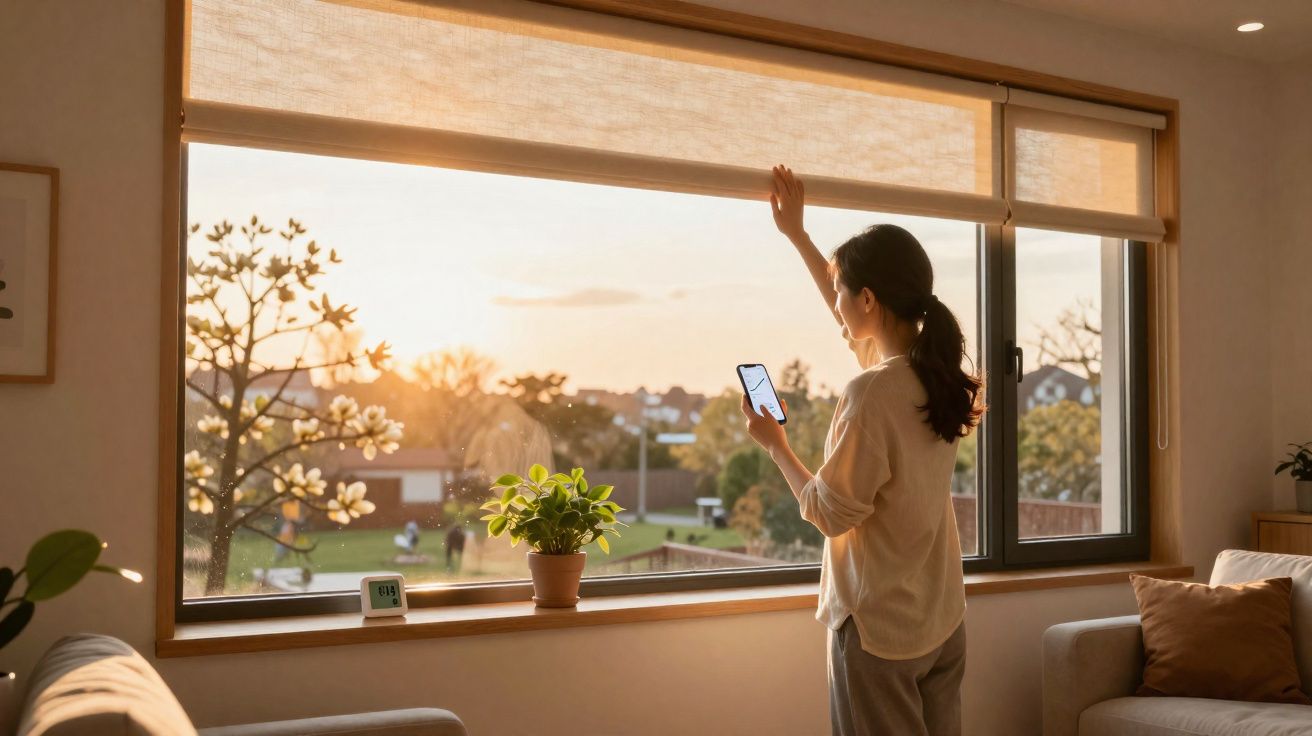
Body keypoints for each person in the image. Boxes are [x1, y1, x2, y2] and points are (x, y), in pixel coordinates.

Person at [740, 166, 983, 736]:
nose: (839, 303)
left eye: (845, 289)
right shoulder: (936, 374)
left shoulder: (871, 392)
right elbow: (847, 310)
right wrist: (797, 235)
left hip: (879, 635)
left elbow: (828, 512)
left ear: (869, 299)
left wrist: (777, 446)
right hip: (942, 621)